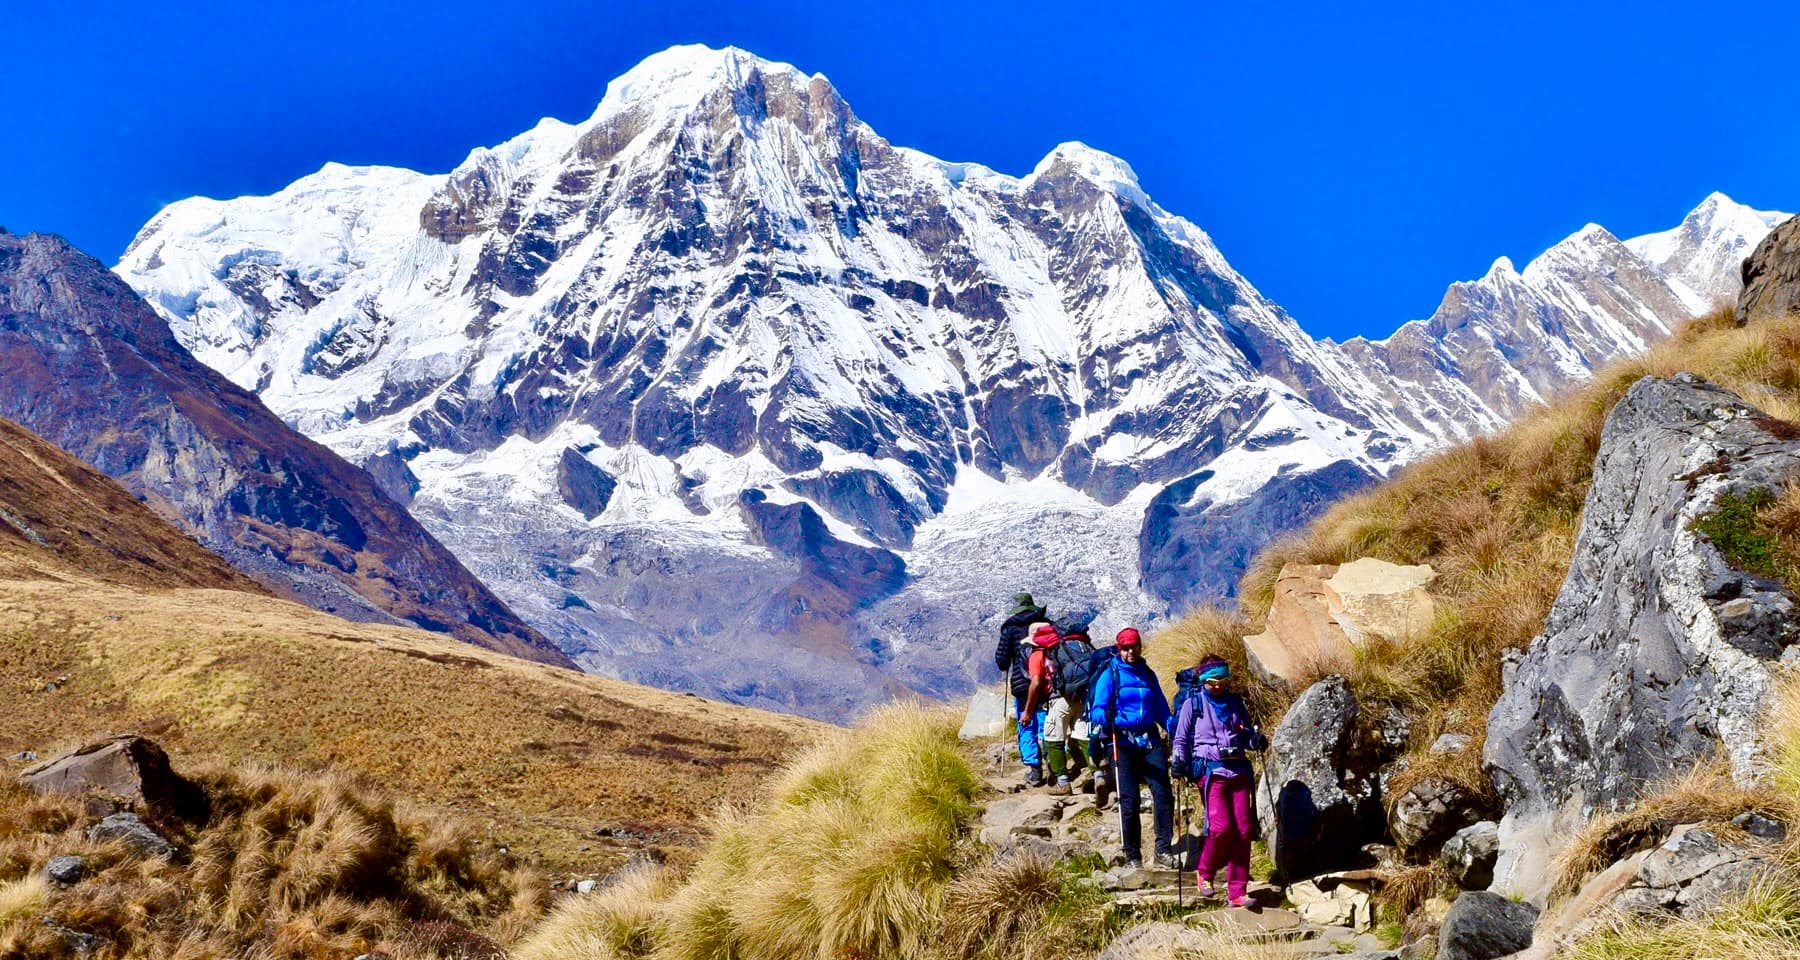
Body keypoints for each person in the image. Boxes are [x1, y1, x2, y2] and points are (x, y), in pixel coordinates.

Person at [1170, 654, 1267, 908]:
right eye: (1213, 681)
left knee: (1244, 829)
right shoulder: (1194, 704)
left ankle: (1238, 891)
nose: (1218, 686)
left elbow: (1245, 732)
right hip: (1211, 771)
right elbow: (1180, 739)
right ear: (1203, 680)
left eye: (1223, 680)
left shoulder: (1235, 702)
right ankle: (1205, 871)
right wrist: (1178, 763)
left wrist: (1255, 741)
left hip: (1239, 771)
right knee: (1221, 827)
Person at [1087, 627, 1176, 869]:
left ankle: (1163, 850)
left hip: (1149, 740)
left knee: (1164, 794)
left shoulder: (1148, 674)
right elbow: (1096, 709)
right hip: (1120, 741)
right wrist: (1105, 716)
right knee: (1129, 799)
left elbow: (1160, 709)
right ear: (1119, 649)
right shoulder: (1111, 674)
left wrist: (1175, 729)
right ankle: (1132, 855)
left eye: (1134, 647)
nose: (1130, 652)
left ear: (1140, 646)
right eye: (1125, 648)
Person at [993, 592, 1049, 787]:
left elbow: (1001, 661)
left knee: (1027, 724)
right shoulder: (1046, 624)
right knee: (1045, 722)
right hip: (1048, 682)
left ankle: (1035, 771)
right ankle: (1054, 763)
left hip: (1022, 684)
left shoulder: (1010, 629)